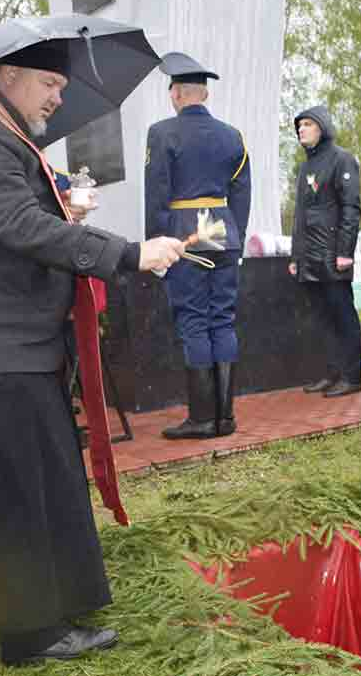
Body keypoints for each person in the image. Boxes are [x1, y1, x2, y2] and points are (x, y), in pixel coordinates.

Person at [0, 39, 186, 665]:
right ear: (8, 74)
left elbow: (20, 215)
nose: (59, 97)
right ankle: (32, 629)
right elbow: (21, 227)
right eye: (49, 84)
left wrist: (65, 207)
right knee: (17, 492)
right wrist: (127, 253)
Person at [146, 52, 251, 439]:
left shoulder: (162, 133)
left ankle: (203, 418)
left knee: (192, 320)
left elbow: (156, 193)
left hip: (182, 236)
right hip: (222, 234)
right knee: (222, 319)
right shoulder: (232, 135)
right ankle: (225, 417)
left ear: (175, 94)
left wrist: (155, 243)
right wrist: (235, 236)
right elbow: (241, 194)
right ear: (203, 94)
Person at [289, 105, 361, 397]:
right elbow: (300, 215)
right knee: (320, 318)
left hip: (334, 255)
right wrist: (296, 256)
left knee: (342, 315)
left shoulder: (342, 159)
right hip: (309, 257)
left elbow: (351, 208)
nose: (301, 129)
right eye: (299, 125)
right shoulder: (306, 166)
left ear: (322, 127)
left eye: (307, 124)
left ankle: (351, 376)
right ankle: (330, 372)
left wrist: (345, 251)